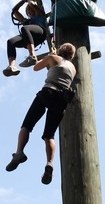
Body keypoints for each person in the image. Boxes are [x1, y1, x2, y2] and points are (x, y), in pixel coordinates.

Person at [5, 43, 76, 185]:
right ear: (72, 56)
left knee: (27, 125)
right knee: (49, 136)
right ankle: (49, 163)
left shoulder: (53, 58)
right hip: (62, 100)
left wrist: (50, 56)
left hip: (48, 91)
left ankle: (19, 152)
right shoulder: (73, 68)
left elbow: (36, 67)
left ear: (61, 51)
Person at [3, 0, 48, 77]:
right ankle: (12, 66)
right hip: (30, 38)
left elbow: (32, 4)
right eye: (28, 11)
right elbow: (14, 11)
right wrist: (23, 1)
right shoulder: (26, 21)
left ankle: (32, 56)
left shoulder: (40, 14)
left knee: (24, 28)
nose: (30, 12)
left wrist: (29, 0)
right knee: (10, 42)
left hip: (40, 33)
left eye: (31, 10)